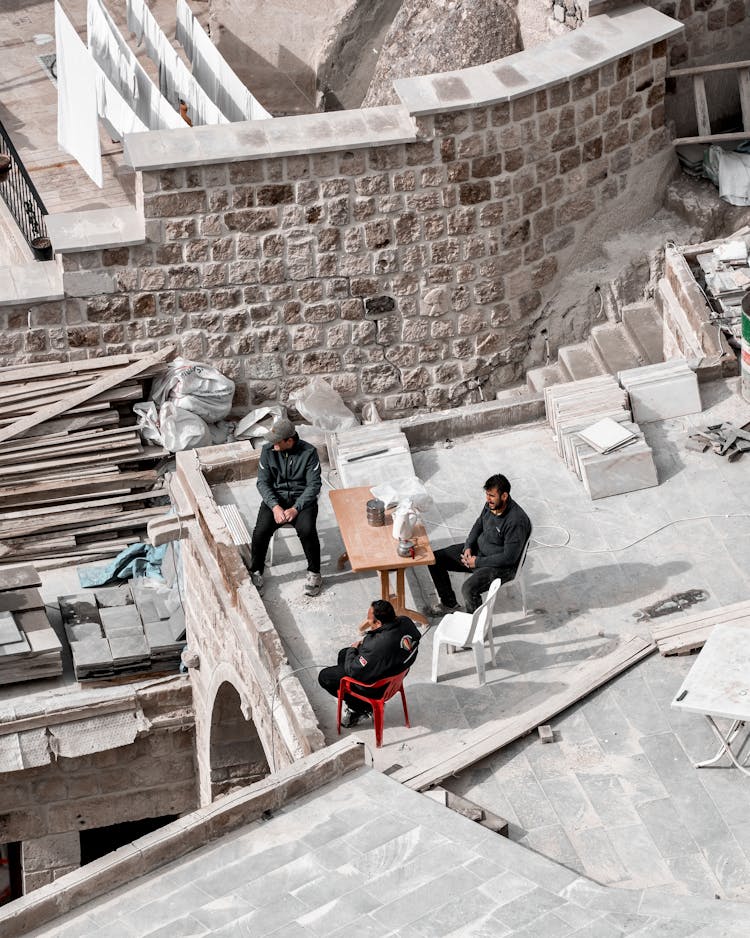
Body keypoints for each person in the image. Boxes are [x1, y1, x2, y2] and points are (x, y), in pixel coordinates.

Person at [427, 473, 531, 615]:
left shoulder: (515, 521)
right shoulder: (491, 504)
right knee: (435, 559)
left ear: (504, 496)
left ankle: (475, 628)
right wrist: (468, 546)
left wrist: (478, 562)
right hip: (480, 552)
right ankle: (449, 604)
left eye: (492, 495)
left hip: (502, 566)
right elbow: (479, 524)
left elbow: (509, 557)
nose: (488, 499)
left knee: (468, 589)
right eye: (487, 495)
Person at [318, 599, 421, 727]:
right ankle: (359, 705)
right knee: (343, 654)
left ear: (378, 622)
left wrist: (353, 648)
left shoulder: (375, 645)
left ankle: (361, 708)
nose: (368, 622)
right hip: (398, 673)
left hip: (378, 687)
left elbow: (353, 670)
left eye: (369, 620)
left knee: (325, 677)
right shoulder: (406, 622)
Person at [250, 418, 323, 597]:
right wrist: (275, 507)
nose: (272, 443)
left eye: (276, 440)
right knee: (260, 531)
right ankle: (257, 571)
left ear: (289, 440)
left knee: (307, 531)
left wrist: (296, 508)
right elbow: (262, 483)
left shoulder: (309, 452)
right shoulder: (267, 451)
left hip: (302, 501)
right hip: (276, 499)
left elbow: (314, 486)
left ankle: (315, 573)